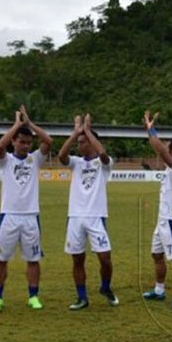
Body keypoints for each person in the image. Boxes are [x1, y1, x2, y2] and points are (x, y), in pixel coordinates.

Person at [0, 106, 52, 312]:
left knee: (33, 260)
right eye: (21, 141)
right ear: (14, 142)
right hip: (8, 216)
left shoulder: (35, 159)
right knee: (1, 259)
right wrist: (16, 125)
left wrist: (29, 124)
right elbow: (0, 145)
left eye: (28, 142)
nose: (25, 146)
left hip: (30, 217)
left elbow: (48, 142)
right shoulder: (5, 160)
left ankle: (33, 296)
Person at [58, 114, 117, 310]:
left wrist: (88, 131)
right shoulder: (76, 162)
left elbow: (103, 154)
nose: (79, 145)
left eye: (83, 142)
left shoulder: (103, 164)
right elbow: (61, 156)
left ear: (93, 142)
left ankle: (105, 287)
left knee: (105, 259)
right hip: (75, 217)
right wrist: (75, 133)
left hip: (96, 217)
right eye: (79, 142)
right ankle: (82, 297)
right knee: (77, 259)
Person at [141, 111, 172, 308]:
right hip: (162, 221)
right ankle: (159, 290)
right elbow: (159, 149)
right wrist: (151, 130)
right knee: (157, 255)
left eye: (169, 147)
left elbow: (159, 149)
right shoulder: (169, 169)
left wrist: (150, 128)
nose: (165, 150)